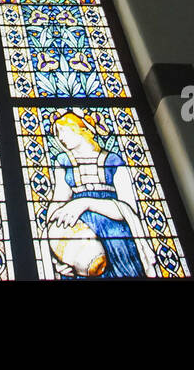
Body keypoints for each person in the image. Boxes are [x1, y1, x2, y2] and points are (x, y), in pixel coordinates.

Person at [43, 111, 158, 279]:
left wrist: (86, 203)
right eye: (57, 133)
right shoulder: (63, 162)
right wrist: (57, 251)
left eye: (64, 131)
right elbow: (58, 202)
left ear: (79, 129)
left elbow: (129, 210)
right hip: (79, 243)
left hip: (117, 239)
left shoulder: (113, 161)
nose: (60, 138)